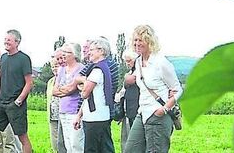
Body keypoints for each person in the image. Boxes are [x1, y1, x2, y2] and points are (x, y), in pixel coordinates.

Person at [124, 25, 182, 153]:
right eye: (135, 40)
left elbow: (178, 90)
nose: (137, 43)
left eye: (141, 40)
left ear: (149, 41)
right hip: (143, 112)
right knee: (130, 150)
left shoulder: (160, 63)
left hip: (158, 115)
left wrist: (164, 109)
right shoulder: (138, 62)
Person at [0, 29, 33, 153]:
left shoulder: (24, 58)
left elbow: (29, 83)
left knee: (22, 137)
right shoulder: (3, 58)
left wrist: (19, 100)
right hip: (1, 103)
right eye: (5, 40)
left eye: (9, 40)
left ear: (17, 42)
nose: (6, 42)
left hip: (16, 104)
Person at [73, 38, 114, 153]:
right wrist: (79, 115)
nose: (89, 52)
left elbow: (85, 94)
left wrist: (82, 82)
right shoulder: (104, 67)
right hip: (102, 115)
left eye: (92, 50)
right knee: (105, 148)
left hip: (94, 117)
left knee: (92, 149)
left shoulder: (97, 70)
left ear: (101, 51)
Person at [53, 43, 84, 153]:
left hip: (75, 110)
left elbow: (73, 88)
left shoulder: (81, 69)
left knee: (76, 143)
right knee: (68, 143)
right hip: (63, 110)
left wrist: (67, 89)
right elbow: (55, 91)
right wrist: (67, 89)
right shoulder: (61, 69)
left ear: (74, 54)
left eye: (67, 52)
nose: (64, 55)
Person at [119, 49, 140, 152]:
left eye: (129, 61)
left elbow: (130, 80)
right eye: (126, 61)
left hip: (137, 110)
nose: (127, 64)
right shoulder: (130, 72)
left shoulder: (139, 71)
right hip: (129, 111)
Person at [46, 55, 61, 153]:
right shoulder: (50, 81)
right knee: (54, 142)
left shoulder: (66, 79)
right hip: (52, 115)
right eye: (52, 67)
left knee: (63, 142)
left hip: (63, 115)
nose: (54, 69)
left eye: (56, 66)